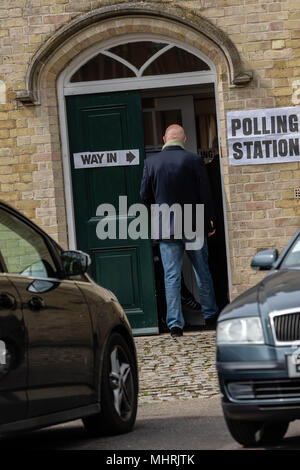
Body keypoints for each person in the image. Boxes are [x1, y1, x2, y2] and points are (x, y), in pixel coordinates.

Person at [140, 124, 219, 338]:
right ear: (183, 139)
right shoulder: (194, 160)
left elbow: (144, 195)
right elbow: (206, 194)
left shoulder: (151, 162)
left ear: (165, 139)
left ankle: (175, 324)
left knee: (171, 276)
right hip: (194, 224)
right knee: (202, 271)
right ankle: (210, 315)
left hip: (166, 227)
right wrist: (210, 222)